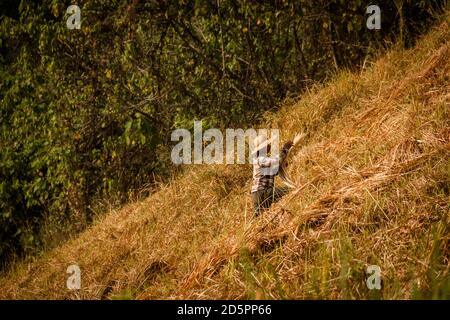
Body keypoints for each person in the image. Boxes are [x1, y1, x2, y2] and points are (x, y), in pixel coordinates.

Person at [251, 134, 293, 216]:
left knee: (258, 217)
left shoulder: (262, 159)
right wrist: (285, 149)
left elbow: (273, 172)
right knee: (288, 190)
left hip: (259, 193)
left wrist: (282, 165)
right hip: (262, 192)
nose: (269, 146)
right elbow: (276, 161)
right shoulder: (260, 159)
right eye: (267, 145)